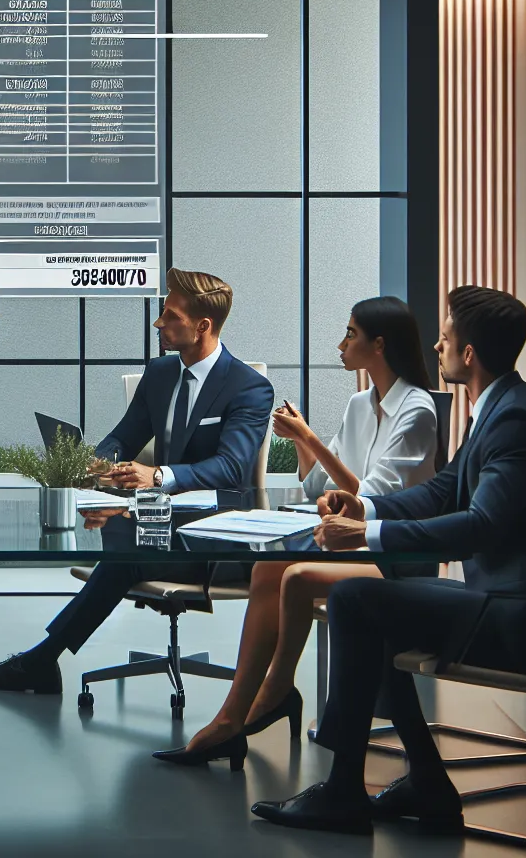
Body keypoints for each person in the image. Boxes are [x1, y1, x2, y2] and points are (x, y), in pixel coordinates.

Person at [252, 287, 526, 837]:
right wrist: (366, 506)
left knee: (357, 597)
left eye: (448, 336)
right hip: (509, 602)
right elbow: (444, 490)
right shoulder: (500, 409)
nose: (438, 345)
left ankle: (343, 790)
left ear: (470, 353)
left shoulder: (515, 421)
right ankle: (426, 777)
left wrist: (369, 533)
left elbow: (479, 526)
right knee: (373, 604)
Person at [158, 296, 440, 769]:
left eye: (350, 334)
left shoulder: (418, 411)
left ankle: (257, 703)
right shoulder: (358, 404)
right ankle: (246, 709)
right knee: (270, 564)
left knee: (283, 571)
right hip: (345, 540)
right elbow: (318, 486)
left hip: (389, 554)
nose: (341, 344)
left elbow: (369, 502)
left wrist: (308, 439)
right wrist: (303, 445)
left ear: (379, 345)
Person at [0, 269, 274, 694]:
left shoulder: (250, 388)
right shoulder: (161, 373)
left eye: (170, 315)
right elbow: (125, 434)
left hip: (217, 534)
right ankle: (40, 660)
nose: (159, 323)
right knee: (100, 527)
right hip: (160, 520)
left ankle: (39, 660)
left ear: (203, 326)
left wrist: (158, 475)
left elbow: (232, 468)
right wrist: (98, 462)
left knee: (126, 553)